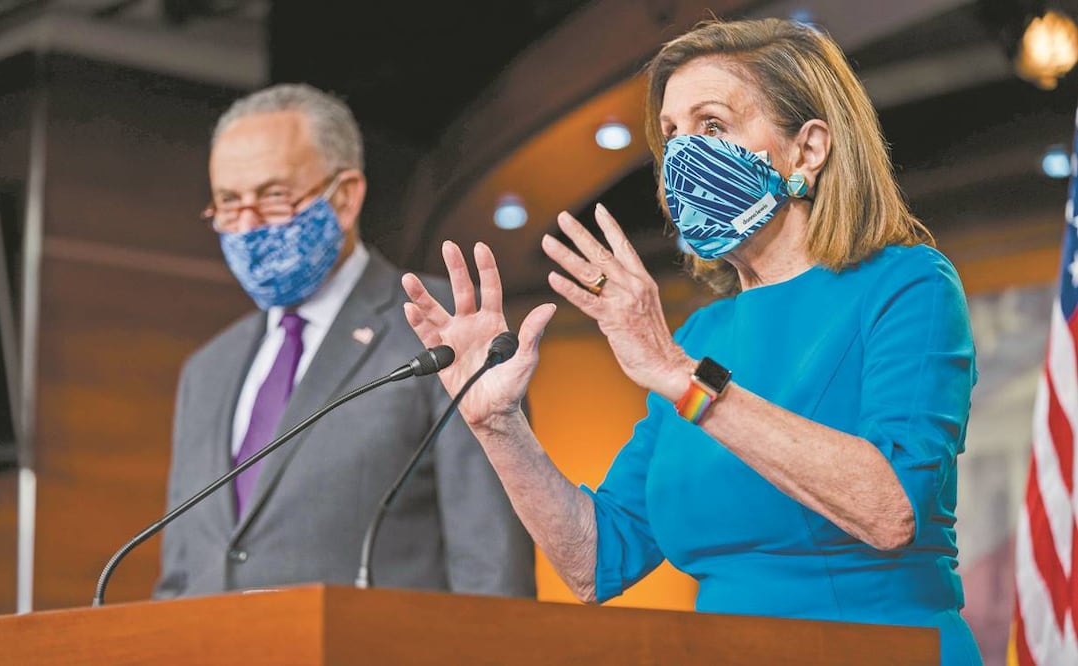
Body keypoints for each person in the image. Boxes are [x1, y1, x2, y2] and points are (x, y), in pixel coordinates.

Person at [401, 18, 981, 665]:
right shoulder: (702, 335)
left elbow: (890, 509)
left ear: (807, 149)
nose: (680, 157)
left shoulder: (906, 285)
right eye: (671, 134)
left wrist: (684, 380)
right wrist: (497, 425)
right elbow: (596, 560)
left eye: (711, 127)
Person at [154, 83, 535, 599]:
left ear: (347, 195)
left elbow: (489, 556)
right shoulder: (208, 369)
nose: (247, 226)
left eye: (273, 197)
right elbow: (182, 574)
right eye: (228, 203)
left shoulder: (441, 323)